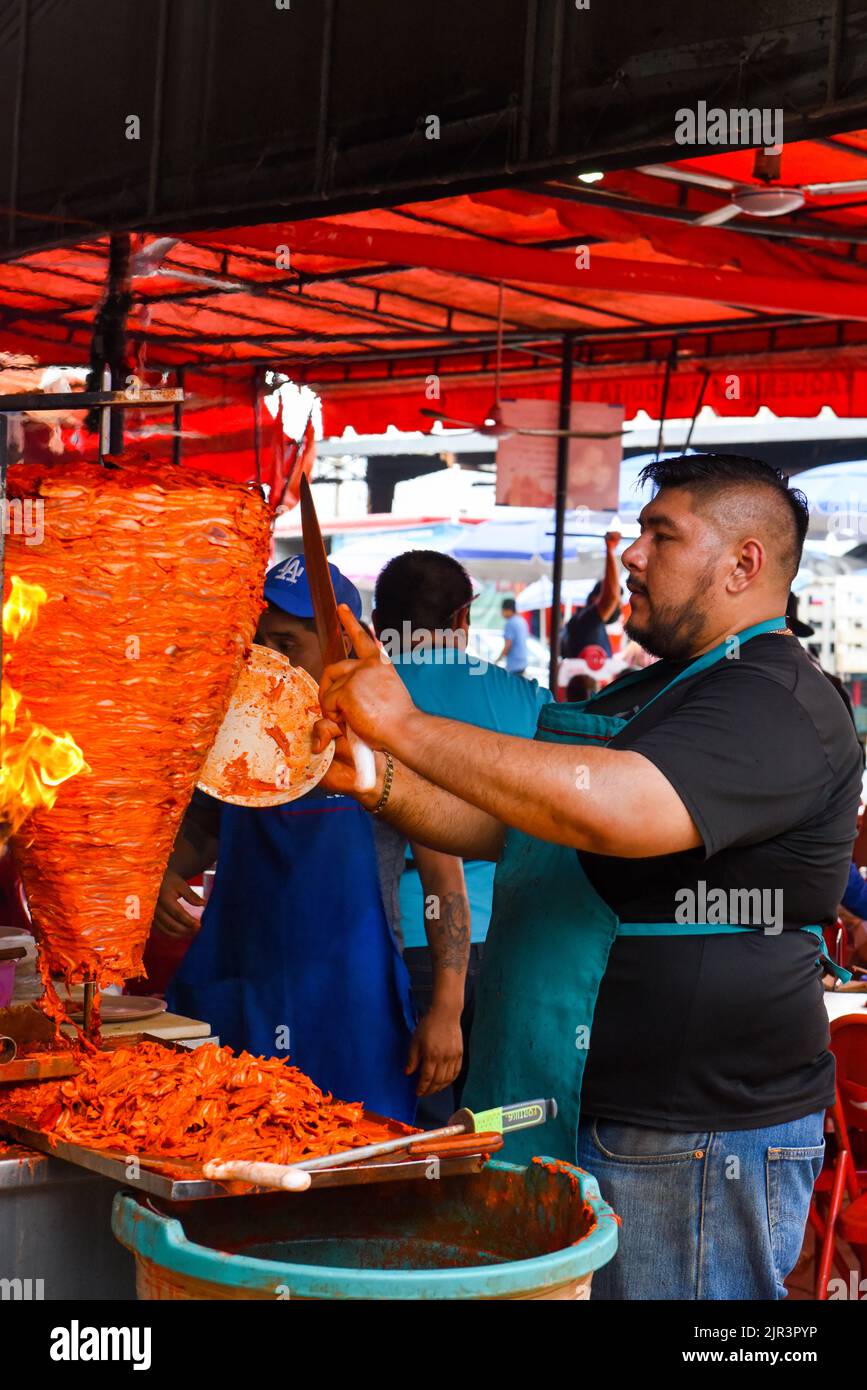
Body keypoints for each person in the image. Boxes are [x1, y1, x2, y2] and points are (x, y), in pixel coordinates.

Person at [313, 452, 863, 1301]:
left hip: (688, 1129)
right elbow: (520, 828)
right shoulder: (653, 691)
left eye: (659, 535)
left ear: (742, 563)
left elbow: (610, 808)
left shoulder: (773, 698)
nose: (631, 555)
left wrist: (408, 727)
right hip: (565, 1101)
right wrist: (379, 783)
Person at [155, 558, 446, 1124]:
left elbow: (444, 879)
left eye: (286, 642)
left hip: (353, 1014)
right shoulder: (237, 743)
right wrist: (160, 876)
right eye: (259, 643)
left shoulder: (388, 743)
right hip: (242, 998)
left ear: (338, 643)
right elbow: (202, 834)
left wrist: (447, 1009)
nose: (269, 660)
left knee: (358, 1170)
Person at [372, 549, 552, 1124]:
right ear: (462, 618)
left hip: (403, 943)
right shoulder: (531, 702)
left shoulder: (365, 702)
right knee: (498, 1128)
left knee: (408, 1131)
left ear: (379, 625)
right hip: (516, 943)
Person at [560, 530, 622, 659]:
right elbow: (611, 597)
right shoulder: (587, 620)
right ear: (596, 599)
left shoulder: (587, 622)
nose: (618, 608)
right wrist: (610, 549)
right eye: (617, 604)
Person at [497, 598, 528, 676]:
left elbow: (508, 645)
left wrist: (497, 660)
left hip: (514, 665)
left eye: (503, 610)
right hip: (523, 663)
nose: (502, 613)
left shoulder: (510, 623)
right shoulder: (522, 621)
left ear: (509, 610)